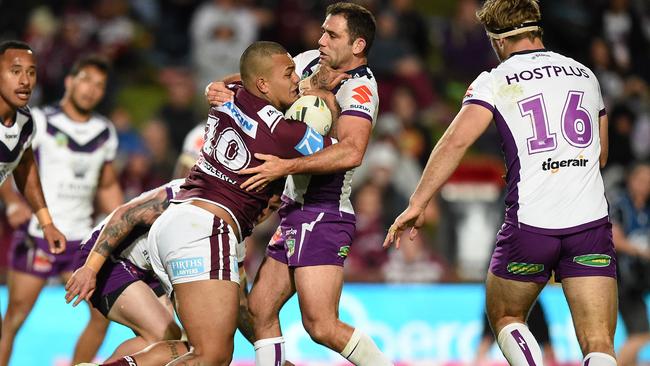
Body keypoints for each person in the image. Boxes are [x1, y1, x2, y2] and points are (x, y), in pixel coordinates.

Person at [384, 1, 617, 365]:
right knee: (599, 341)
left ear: (497, 40)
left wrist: (418, 203)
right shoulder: (584, 74)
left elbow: (456, 141)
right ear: (536, 30)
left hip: (532, 225)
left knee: (506, 314)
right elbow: (600, 157)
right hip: (589, 223)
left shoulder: (496, 79)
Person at [207, 3, 391, 365]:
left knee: (321, 325)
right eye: (322, 31)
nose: (320, 40)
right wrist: (219, 87)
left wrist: (285, 166)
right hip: (294, 209)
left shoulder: (360, 88)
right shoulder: (308, 61)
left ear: (357, 45)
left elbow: (352, 152)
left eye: (332, 35)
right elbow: (256, 76)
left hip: (324, 211)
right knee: (259, 310)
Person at [145, 40, 339, 365]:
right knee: (212, 356)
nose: (296, 80)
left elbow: (231, 80)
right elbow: (341, 153)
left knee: (194, 347)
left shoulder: (233, 94)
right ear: (263, 83)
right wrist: (329, 104)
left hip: (173, 221)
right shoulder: (284, 133)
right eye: (288, 73)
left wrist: (216, 84)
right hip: (207, 230)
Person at [0, 54, 123, 365]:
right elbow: (7, 163)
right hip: (39, 235)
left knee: (101, 317)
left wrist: (124, 221)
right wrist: (13, 202)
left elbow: (106, 185)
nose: (91, 89)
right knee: (14, 319)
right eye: (85, 80)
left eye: (99, 85)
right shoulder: (38, 121)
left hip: (81, 242)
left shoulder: (105, 131)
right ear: (69, 81)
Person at [0, 39, 66, 339]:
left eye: (31, 72)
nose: (25, 80)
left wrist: (46, 221)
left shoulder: (25, 121)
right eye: (15, 71)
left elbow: (24, 165)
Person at [611, 162, 650, 366]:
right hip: (621, 278)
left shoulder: (646, 209)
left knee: (638, 333)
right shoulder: (619, 204)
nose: (645, 185)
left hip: (639, 281)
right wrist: (640, 251)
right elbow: (615, 240)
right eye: (641, 179)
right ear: (631, 180)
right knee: (642, 334)